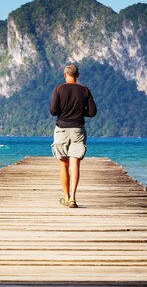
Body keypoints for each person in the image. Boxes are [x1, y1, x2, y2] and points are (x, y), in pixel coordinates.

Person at [49, 64, 97, 208]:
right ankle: (73, 198)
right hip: (78, 130)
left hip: (62, 130)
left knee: (64, 164)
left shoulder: (58, 89)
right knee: (75, 164)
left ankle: (66, 196)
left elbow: (53, 111)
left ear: (65, 75)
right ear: (78, 75)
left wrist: (63, 112)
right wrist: (81, 112)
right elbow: (93, 112)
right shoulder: (84, 90)